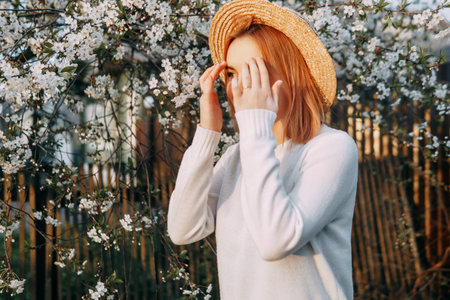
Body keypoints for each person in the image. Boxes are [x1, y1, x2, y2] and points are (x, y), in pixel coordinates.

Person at [167, 0, 358, 299]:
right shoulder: (237, 158)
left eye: (254, 71)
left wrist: (256, 124)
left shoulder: (332, 148)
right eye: (231, 74)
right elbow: (183, 229)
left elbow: (275, 240)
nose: (241, 86)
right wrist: (208, 134)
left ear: (292, 72)